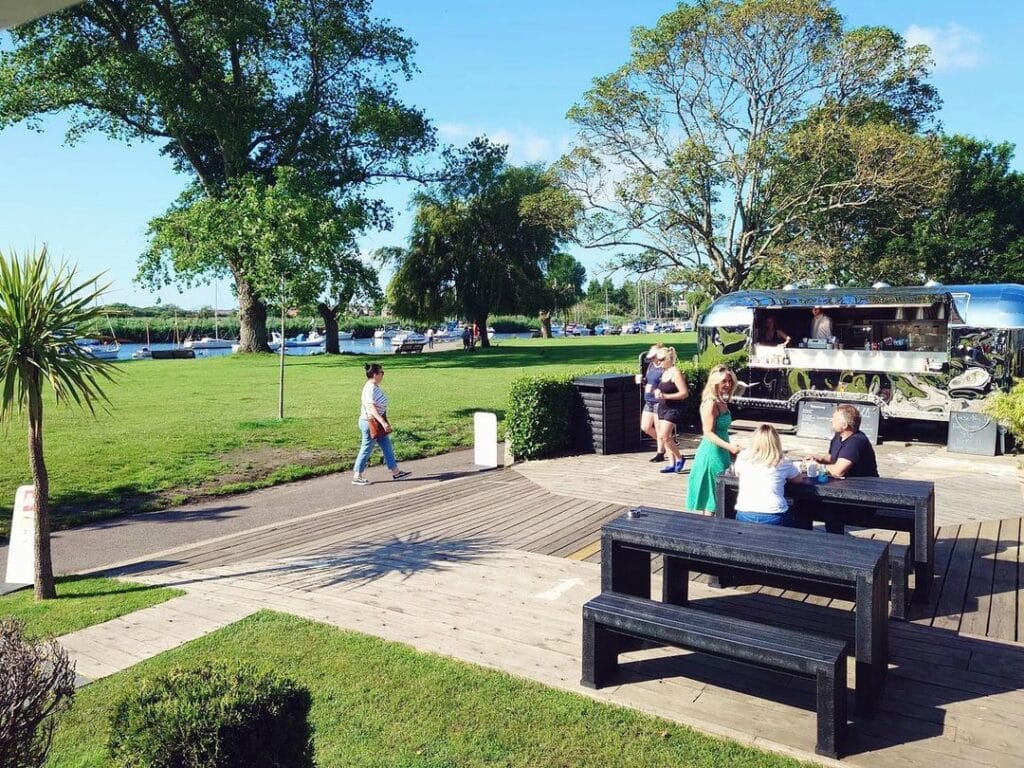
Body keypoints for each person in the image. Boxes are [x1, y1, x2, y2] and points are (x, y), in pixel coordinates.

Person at [686, 365, 742, 513]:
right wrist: (729, 447)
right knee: (712, 500)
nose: (728, 385)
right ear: (715, 382)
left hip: (722, 451)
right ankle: (707, 533)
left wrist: (729, 448)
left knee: (720, 498)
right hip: (711, 454)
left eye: (730, 381)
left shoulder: (721, 401)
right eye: (724, 381)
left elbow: (722, 431)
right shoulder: (710, 403)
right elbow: (708, 433)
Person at [352, 363, 411, 486]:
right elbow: (371, 408)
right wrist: (383, 422)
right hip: (370, 422)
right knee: (366, 448)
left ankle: (395, 472)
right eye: (381, 372)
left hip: (376, 421)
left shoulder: (374, 386)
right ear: (375, 374)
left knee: (387, 446)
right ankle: (357, 475)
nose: (383, 375)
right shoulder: (370, 388)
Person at [733, 424, 804, 525]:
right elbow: (798, 479)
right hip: (773, 514)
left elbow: (737, 472)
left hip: (745, 512)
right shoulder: (783, 462)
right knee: (798, 515)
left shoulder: (743, 457)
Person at [805, 404, 878, 478]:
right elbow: (832, 458)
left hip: (864, 486)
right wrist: (819, 459)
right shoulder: (839, 435)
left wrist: (816, 466)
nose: (831, 420)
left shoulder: (856, 442)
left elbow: (838, 471)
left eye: (834, 418)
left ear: (844, 425)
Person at [653, 346, 689, 473]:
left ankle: (680, 458)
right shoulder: (665, 372)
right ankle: (672, 464)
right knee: (664, 437)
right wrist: (658, 391)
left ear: (670, 359)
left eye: (662, 359)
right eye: (658, 360)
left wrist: (666, 396)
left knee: (664, 435)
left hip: (673, 409)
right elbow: (663, 389)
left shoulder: (675, 372)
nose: (659, 362)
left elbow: (684, 393)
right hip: (663, 407)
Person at [636, 343, 666, 462]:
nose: (652, 359)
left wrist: (657, 389)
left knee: (659, 428)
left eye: (654, 357)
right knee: (645, 427)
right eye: (651, 357)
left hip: (658, 401)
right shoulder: (651, 366)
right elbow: (649, 380)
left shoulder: (664, 367)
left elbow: (667, 384)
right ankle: (666, 441)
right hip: (648, 400)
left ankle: (660, 452)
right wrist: (643, 381)